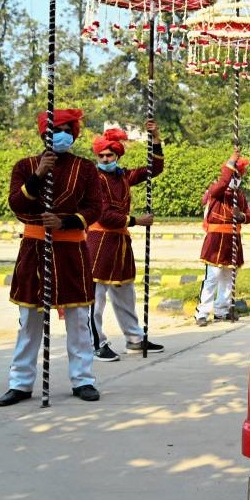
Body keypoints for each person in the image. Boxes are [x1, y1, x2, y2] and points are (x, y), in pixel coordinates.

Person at [0, 108, 104, 406]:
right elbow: (17, 204)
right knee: (29, 320)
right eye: (57, 130)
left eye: (69, 130)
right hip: (35, 252)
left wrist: (67, 221)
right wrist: (38, 176)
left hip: (71, 252)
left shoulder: (85, 169)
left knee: (79, 320)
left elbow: (95, 207)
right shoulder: (25, 166)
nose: (63, 135)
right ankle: (20, 383)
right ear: (43, 134)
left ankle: (82, 379)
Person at [86, 121, 166, 362]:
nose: (106, 158)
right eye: (102, 155)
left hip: (120, 244)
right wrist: (135, 220)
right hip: (98, 243)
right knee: (95, 299)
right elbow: (104, 215)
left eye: (110, 154)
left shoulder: (123, 176)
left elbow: (155, 168)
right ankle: (96, 342)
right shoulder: (94, 180)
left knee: (126, 294)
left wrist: (155, 138)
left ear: (117, 155)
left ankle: (134, 338)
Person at [195, 149, 250, 326]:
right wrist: (231, 162)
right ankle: (202, 313)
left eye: (238, 175)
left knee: (228, 278)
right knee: (212, 277)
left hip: (233, 240)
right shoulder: (216, 190)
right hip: (216, 240)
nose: (234, 179)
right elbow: (222, 184)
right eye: (232, 175)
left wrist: (241, 216)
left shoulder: (240, 196)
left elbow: (249, 215)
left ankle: (222, 310)